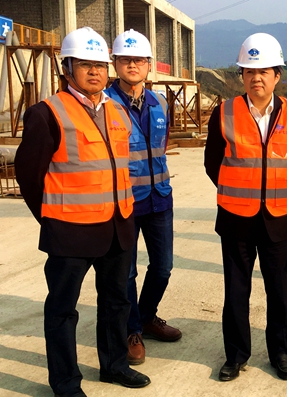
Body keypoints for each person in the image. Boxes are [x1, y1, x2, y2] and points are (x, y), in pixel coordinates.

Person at [16, 27, 151, 397]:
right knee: (63, 311)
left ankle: (114, 366)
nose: (95, 72)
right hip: (70, 232)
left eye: (100, 65)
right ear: (67, 69)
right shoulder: (47, 113)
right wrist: (52, 218)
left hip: (117, 227)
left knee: (116, 303)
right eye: (85, 65)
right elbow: (29, 177)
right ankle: (65, 384)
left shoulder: (116, 109)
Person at [204, 32, 287, 382]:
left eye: (264, 71)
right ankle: (235, 355)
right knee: (236, 291)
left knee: (278, 291)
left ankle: (281, 352)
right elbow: (212, 163)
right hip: (236, 219)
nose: (256, 78)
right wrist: (239, 191)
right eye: (249, 71)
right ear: (242, 75)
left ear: (277, 75)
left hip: (280, 216)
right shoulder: (224, 112)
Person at [105, 29, 181, 366]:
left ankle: (147, 316)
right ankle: (132, 330)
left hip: (159, 198)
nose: (133, 65)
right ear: (115, 63)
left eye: (139, 60)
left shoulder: (159, 102)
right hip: (124, 201)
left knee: (163, 267)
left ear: (149, 64)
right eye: (126, 59)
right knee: (127, 273)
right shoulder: (105, 105)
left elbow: (161, 147)